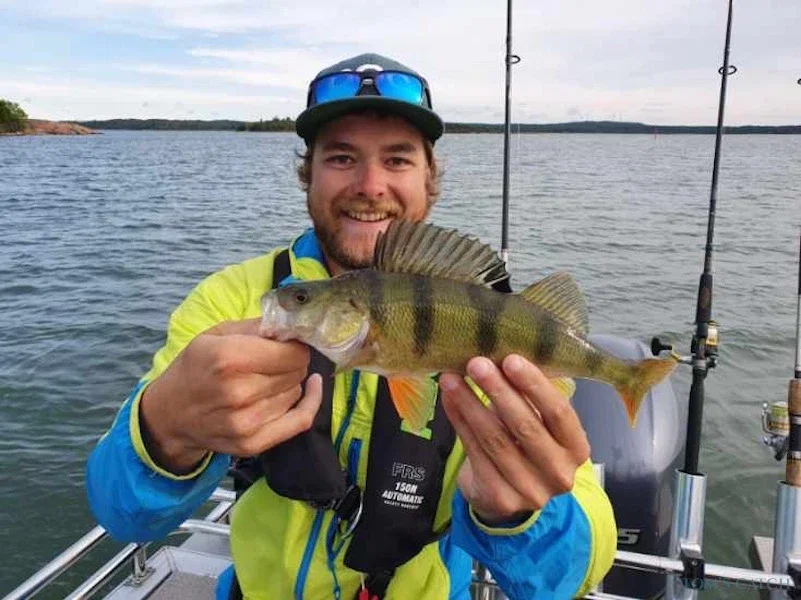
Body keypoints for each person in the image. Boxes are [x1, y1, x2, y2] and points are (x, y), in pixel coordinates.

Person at [86, 52, 617, 600]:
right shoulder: (232, 302)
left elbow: (574, 575)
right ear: (308, 173)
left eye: (398, 159)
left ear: (430, 177)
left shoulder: (499, 326)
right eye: (341, 157)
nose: (370, 184)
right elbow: (122, 515)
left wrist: (522, 517)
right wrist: (166, 429)